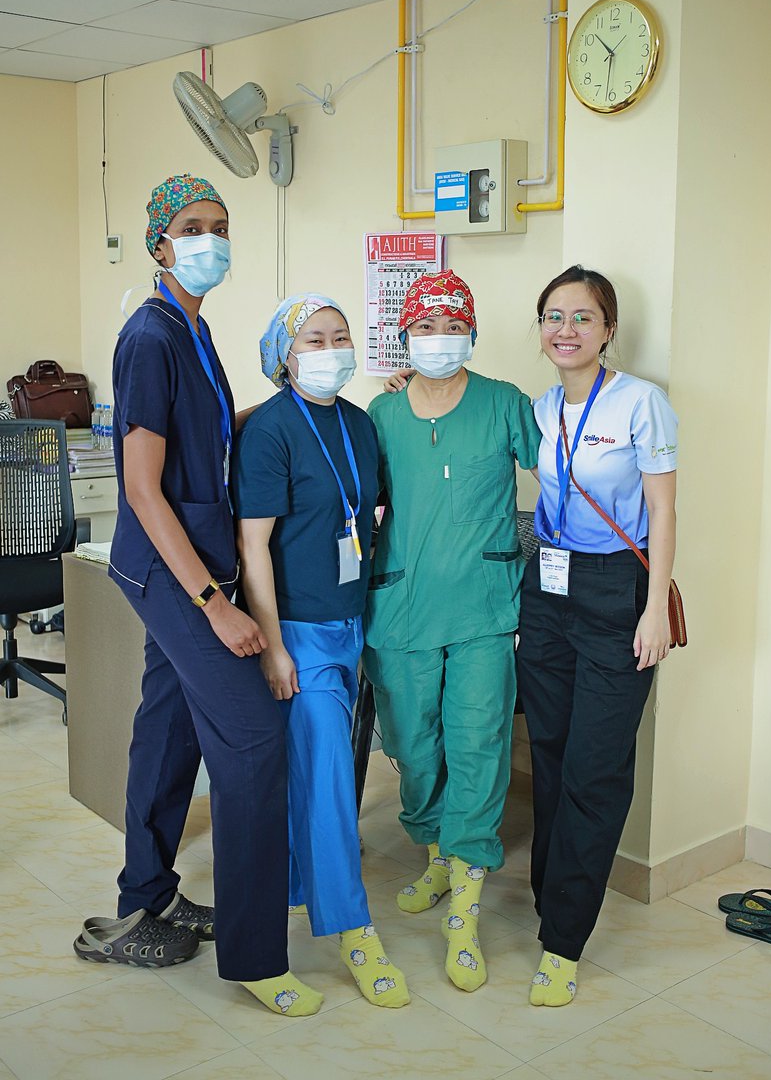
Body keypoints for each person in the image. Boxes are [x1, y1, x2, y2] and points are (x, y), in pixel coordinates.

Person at [73, 175, 322, 1018]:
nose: (210, 239)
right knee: (253, 739)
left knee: (170, 728)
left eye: (220, 225)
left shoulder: (193, 326)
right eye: (192, 226)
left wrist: (292, 399)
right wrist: (215, 601)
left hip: (186, 560)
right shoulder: (150, 337)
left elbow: (207, 439)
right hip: (174, 570)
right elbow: (143, 488)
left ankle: (146, 898)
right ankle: (256, 955)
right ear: (159, 243)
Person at [363, 269, 541, 992]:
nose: (439, 339)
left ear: (472, 333)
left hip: (483, 609)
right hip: (401, 605)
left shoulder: (505, 403)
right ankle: (435, 852)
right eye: (425, 327)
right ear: (405, 335)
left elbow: (565, 475)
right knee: (411, 743)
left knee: (478, 742)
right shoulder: (381, 413)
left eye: (452, 326)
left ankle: (465, 902)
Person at [232, 294, 409, 1009]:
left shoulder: (361, 423)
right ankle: (352, 927)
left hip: (352, 619)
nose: (332, 349)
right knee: (333, 776)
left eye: (340, 337)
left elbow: (371, 511)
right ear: (285, 355)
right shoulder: (270, 431)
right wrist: (273, 646)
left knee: (316, 770)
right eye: (314, 339)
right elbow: (253, 548)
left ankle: (298, 887)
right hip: (299, 632)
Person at [517, 265, 678, 1007]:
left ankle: (564, 940)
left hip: (619, 589)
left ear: (609, 329)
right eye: (554, 316)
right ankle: (548, 895)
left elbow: (663, 510)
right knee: (548, 753)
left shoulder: (641, 402)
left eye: (583, 317)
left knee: (596, 766)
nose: (567, 330)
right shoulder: (540, 408)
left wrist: (654, 608)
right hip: (548, 587)